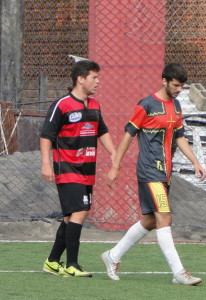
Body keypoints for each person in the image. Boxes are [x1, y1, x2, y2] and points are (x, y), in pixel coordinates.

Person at [102, 63, 204, 285]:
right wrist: (115, 166)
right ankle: (179, 273)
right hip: (149, 171)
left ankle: (112, 256)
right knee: (165, 216)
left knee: (150, 221)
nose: (178, 89)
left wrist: (196, 161)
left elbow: (179, 138)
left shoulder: (176, 106)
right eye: (176, 85)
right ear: (164, 80)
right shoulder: (146, 105)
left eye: (181, 86)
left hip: (164, 172)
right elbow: (128, 136)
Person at [39, 60, 116, 277]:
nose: (98, 82)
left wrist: (115, 154)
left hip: (87, 170)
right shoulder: (62, 104)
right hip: (67, 168)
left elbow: (102, 131)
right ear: (80, 79)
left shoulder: (94, 105)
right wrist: (46, 163)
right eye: (94, 77)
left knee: (70, 217)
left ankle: (53, 261)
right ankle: (72, 264)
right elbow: (46, 136)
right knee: (80, 213)